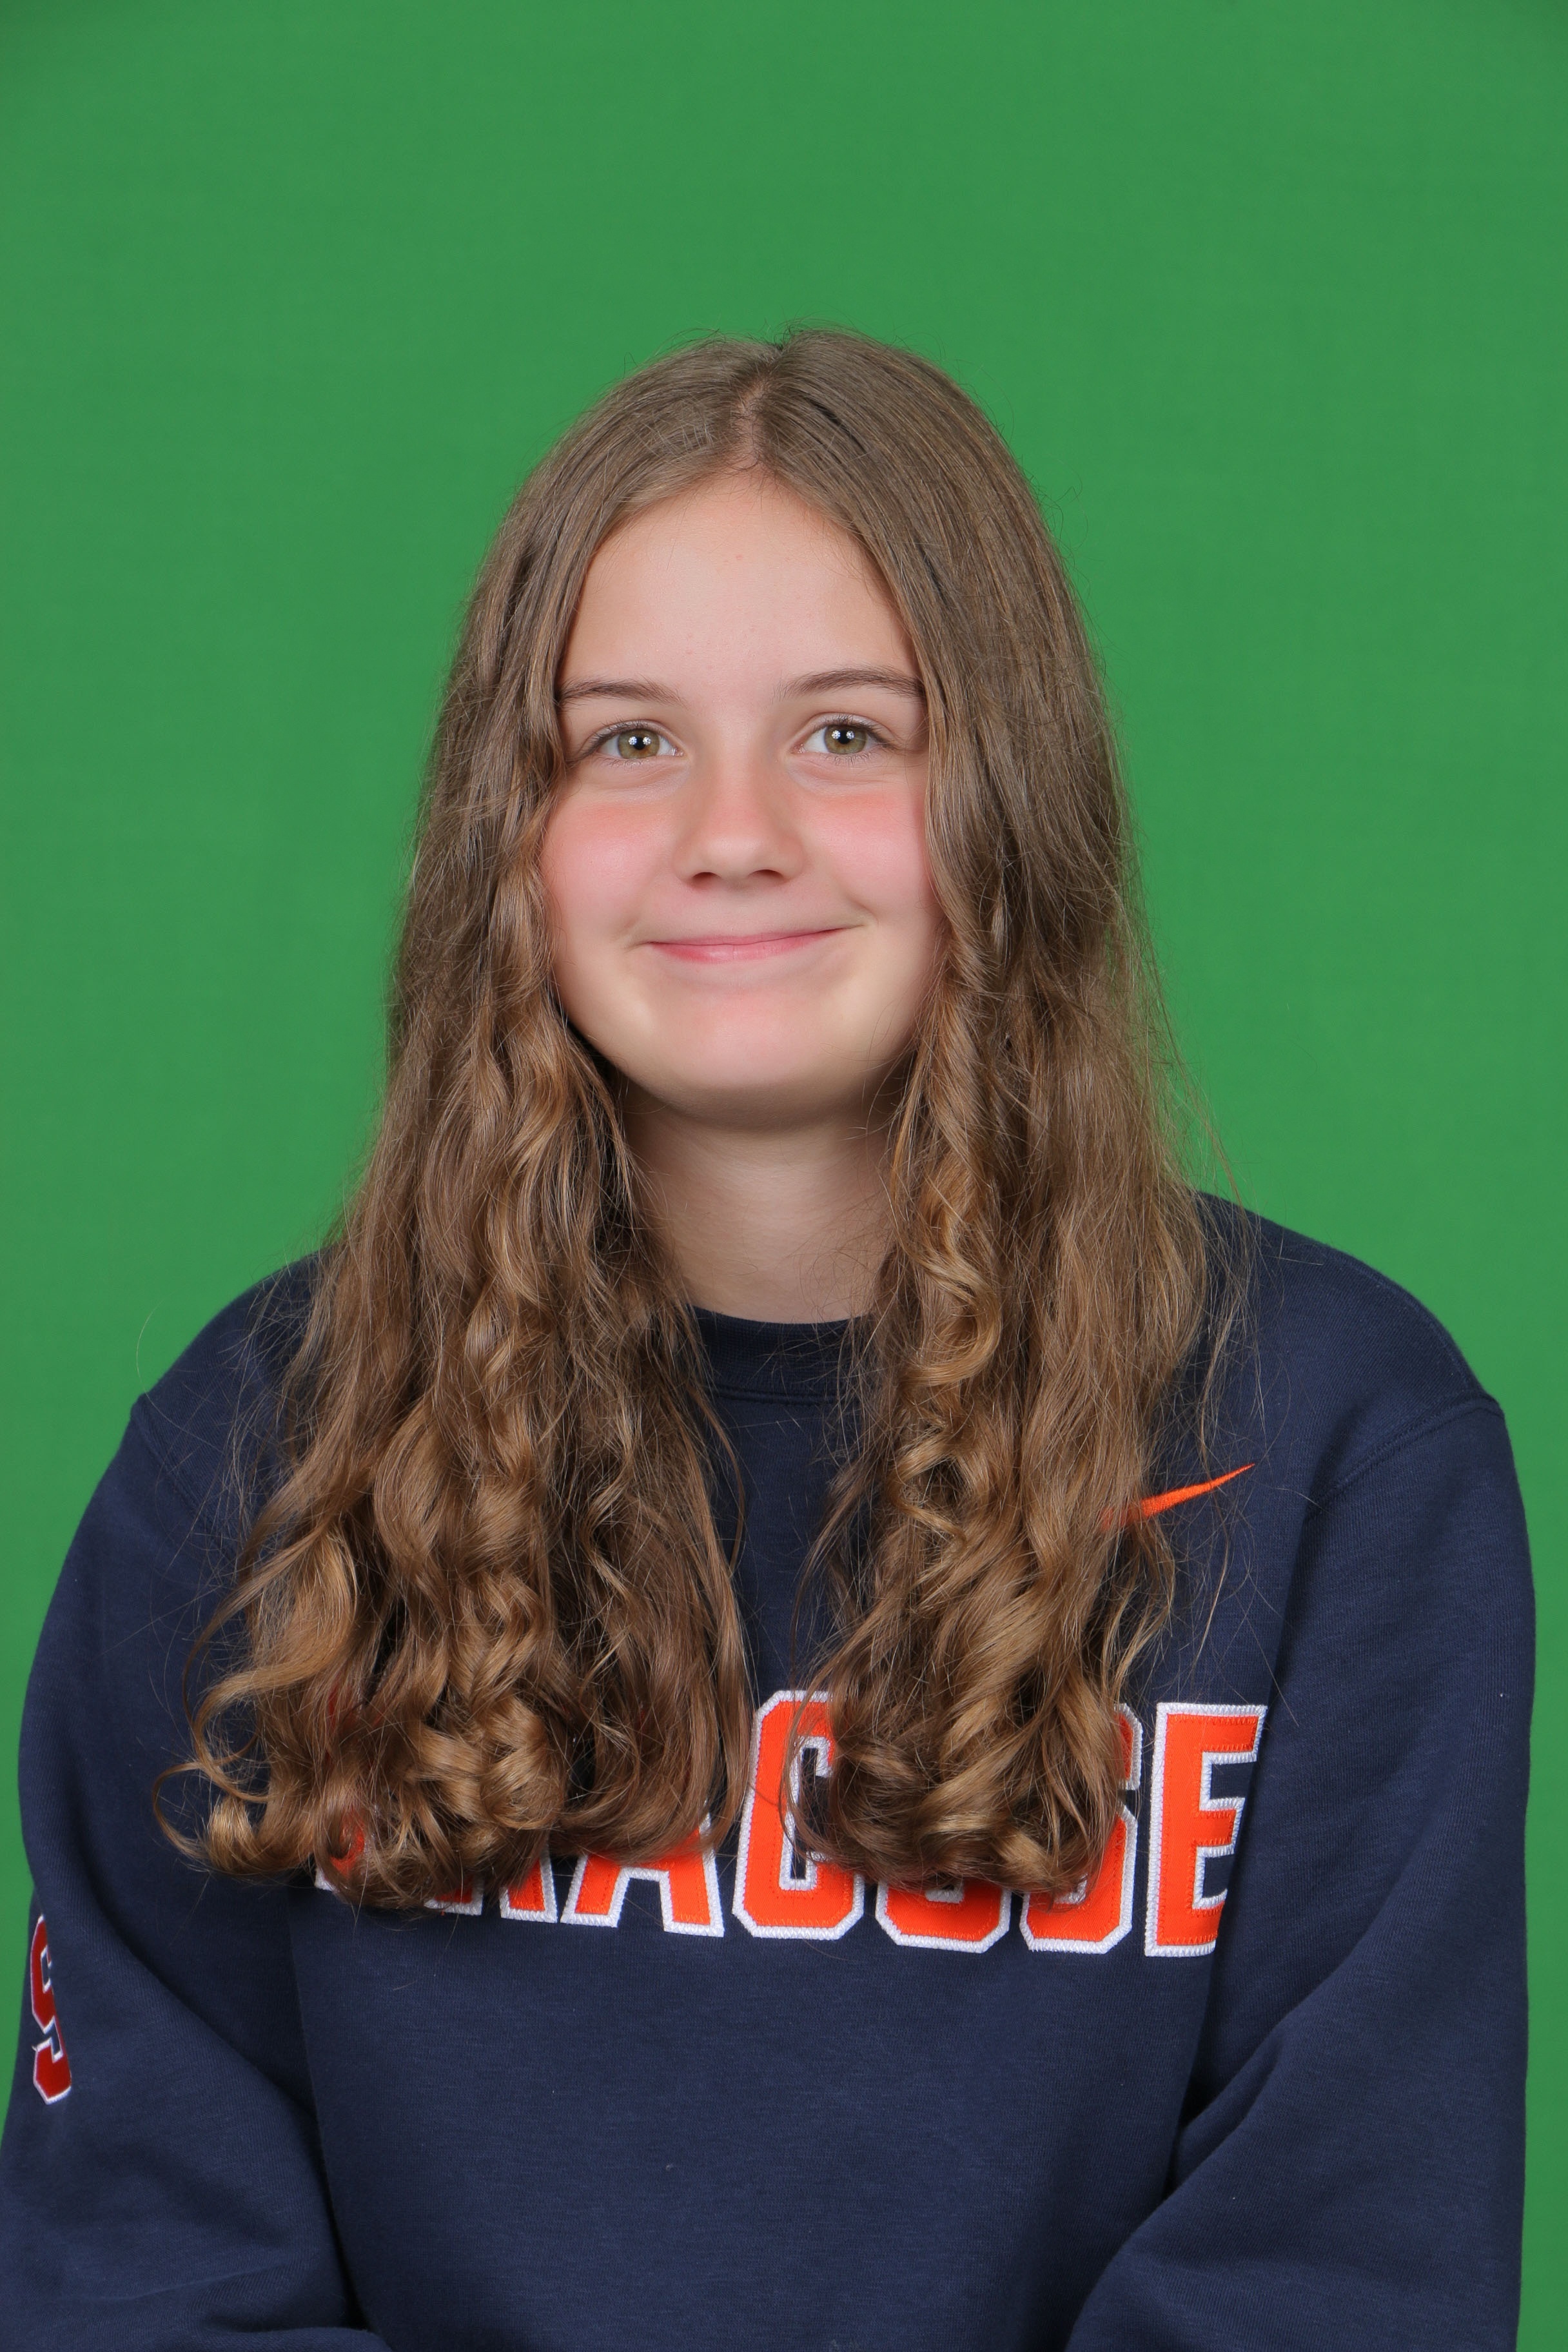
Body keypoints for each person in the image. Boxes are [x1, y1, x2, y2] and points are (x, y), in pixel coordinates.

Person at [0, 332, 1531, 2350]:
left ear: (1013, 797)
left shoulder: (1336, 1447)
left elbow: (1335, 2278)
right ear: (506, 832)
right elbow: (140, 2272)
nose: (733, 830)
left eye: (847, 733)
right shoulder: (259, 1451)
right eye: (628, 740)